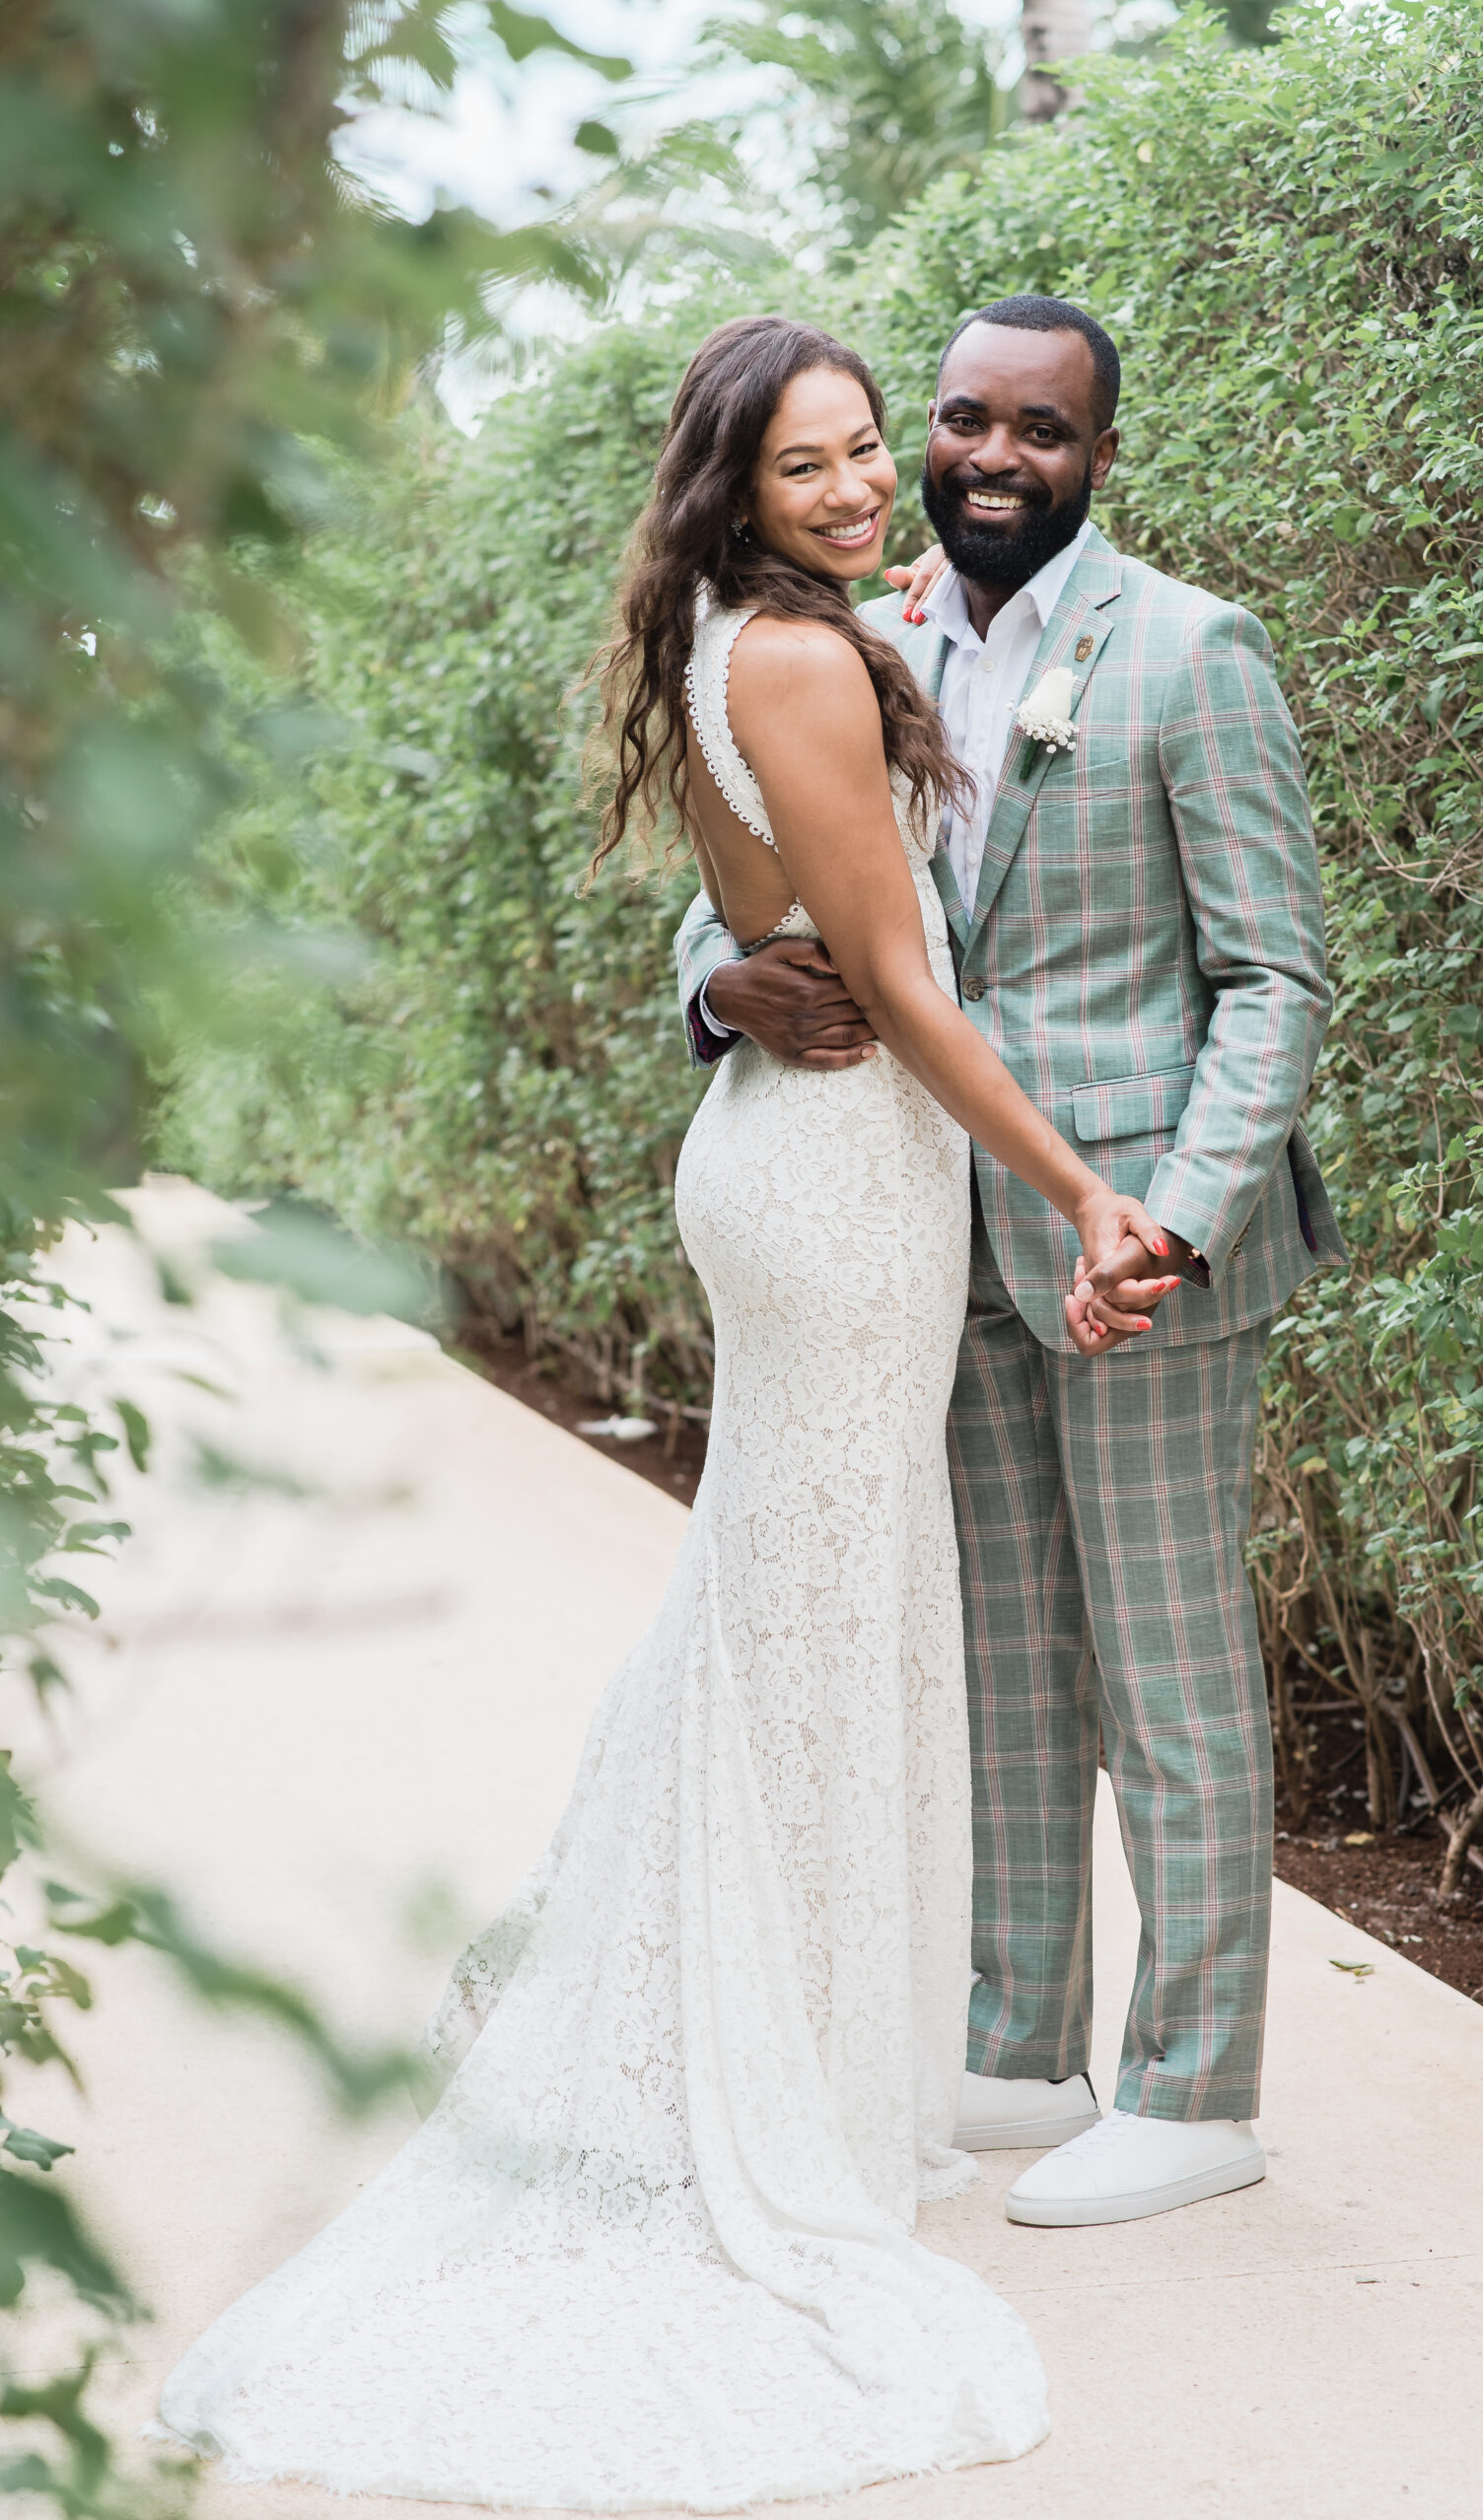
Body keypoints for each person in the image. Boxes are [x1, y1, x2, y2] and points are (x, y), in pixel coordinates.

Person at [150, 314, 1183, 2511]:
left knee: (789, 1598)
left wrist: (752, 954)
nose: (854, 481)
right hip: (834, 1176)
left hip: (812, 1166)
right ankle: (750, 2080)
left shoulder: (776, 631)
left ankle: (775, 2035)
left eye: (865, 445)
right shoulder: (806, 658)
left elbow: (790, 905)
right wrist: (1087, 1182)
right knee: (806, 1612)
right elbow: (899, 981)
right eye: (805, 460)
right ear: (729, 486)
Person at [677, 293, 1345, 2233]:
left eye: (1037, 431)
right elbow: (746, 884)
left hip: (1127, 1237)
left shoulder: (1193, 652)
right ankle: (1020, 2036)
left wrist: (1177, 1215)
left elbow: (1273, 975)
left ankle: (1196, 2084)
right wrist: (722, 985)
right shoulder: (848, 636)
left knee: (1168, 1671)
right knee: (1005, 1665)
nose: (983, 458)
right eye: (959, 418)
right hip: (918, 1226)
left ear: (1099, 456)